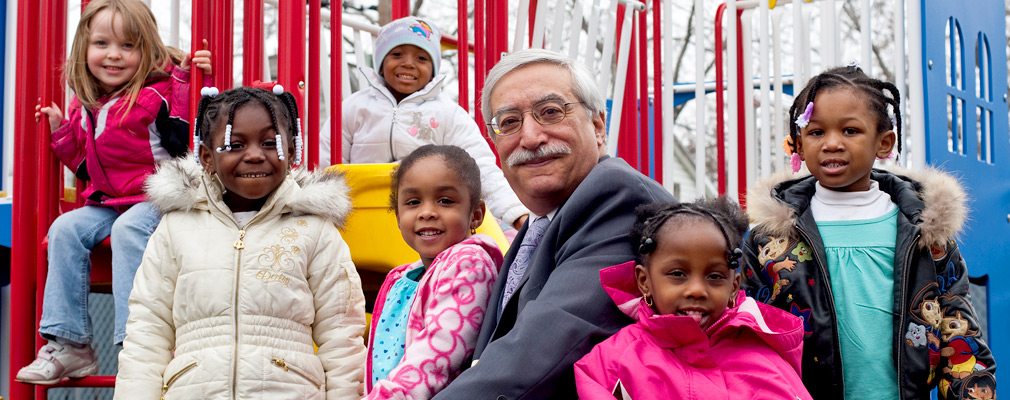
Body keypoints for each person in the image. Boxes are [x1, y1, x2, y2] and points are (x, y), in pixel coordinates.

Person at [741, 65, 997, 400]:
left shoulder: (923, 234)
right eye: (816, 132)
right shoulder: (769, 241)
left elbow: (960, 335)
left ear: (883, 142)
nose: (832, 143)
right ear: (799, 147)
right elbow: (748, 339)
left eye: (850, 130)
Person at [432, 49, 675, 399]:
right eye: (509, 122)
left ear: (597, 126)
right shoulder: (542, 222)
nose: (530, 137)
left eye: (550, 112)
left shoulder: (620, 198)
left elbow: (540, 350)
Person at [114, 86, 366, 399]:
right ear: (207, 157)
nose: (255, 154)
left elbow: (342, 336)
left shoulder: (314, 228)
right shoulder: (175, 228)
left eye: (271, 143)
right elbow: (147, 330)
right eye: (235, 144)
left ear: (293, 150)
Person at [16, 0, 211, 385]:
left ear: (147, 51)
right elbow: (86, 167)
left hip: (157, 197)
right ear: (84, 49)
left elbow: (185, 130)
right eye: (102, 43)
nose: (113, 55)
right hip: (109, 200)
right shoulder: (85, 104)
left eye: (128, 46)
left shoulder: (160, 93)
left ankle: (137, 343)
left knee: (127, 231)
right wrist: (60, 133)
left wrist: (191, 80)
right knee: (64, 229)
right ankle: (70, 344)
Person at [574, 198, 812, 400]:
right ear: (644, 281)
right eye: (678, 274)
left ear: (733, 287)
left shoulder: (767, 365)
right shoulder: (610, 364)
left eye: (715, 276)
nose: (697, 290)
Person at [324, 16, 529, 231]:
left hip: (427, 216)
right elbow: (326, 162)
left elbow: (481, 166)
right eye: (396, 54)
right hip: (362, 213)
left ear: (433, 70)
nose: (408, 63)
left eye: (421, 58)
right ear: (381, 64)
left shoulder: (447, 113)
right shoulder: (354, 107)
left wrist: (514, 212)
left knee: (496, 236)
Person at [365, 144, 504, 399]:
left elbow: (438, 353)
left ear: (475, 215)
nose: (427, 212)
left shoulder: (470, 265)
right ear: (397, 215)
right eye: (413, 202)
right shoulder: (402, 279)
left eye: (445, 201)